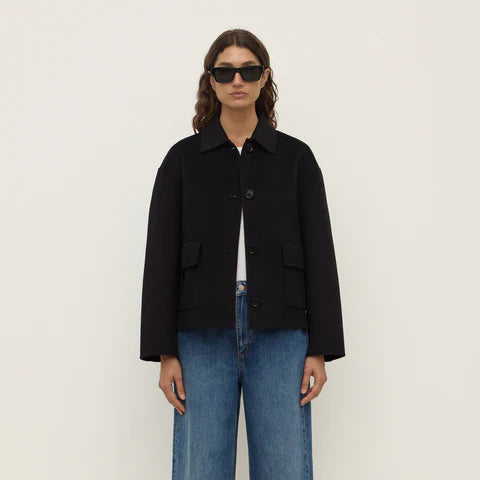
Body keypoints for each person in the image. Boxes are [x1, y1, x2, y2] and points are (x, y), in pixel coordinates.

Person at [140, 28, 345, 479]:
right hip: (200, 334)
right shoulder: (182, 160)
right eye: (225, 71)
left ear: (264, 77)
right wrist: (164, 352)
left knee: (284, 466)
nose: (237, 80)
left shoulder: (296, 159)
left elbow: (320, 253)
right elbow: (160, 259)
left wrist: (321, 348)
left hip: (282, 334)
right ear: (210, 80)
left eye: (249, 71)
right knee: (202, 467)